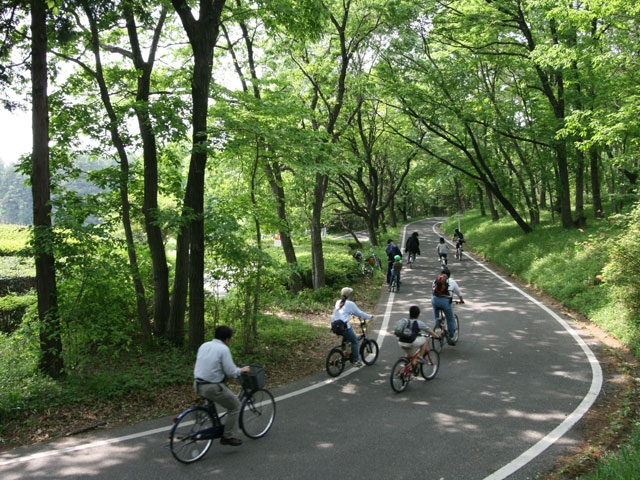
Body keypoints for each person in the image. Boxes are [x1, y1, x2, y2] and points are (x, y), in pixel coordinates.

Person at [193, 326, 251, 447]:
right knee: (235, 406)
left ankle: (208, 419)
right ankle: (227, 436)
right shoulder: (223, 349)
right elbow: (231, 371)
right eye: (229, 339)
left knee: (214, 399)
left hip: (197, 384)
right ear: (226, 339)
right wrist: (241, 370)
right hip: (211, 388)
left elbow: (210, 365)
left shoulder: (204, 345)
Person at [331, 287, 374, 367]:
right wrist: (370, 316)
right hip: (343, 327)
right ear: (349, 295)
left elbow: (336, 314)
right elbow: (360, 313)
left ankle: (344, 352)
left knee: (347, 336)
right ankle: (356, 361)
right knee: (354, 341)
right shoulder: (350, 304)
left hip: (335, 326)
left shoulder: (338, 302)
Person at [431, 265, 463, 345]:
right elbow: (459, 293)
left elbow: (433, 290)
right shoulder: (452, 281)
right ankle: (451, 335)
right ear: (449, 275)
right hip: (445, 301)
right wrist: (461, 300)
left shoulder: (436, 280)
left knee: (436, 310)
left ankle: (437, 323)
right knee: (450, 319)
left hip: (435, 300)